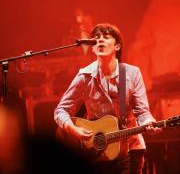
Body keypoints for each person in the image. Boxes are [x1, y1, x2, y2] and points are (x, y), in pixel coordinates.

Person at [54, 23, 160, 174]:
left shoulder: (131, 74)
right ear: (92, 47)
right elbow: (61, 110)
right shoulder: (84, 76)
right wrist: (74, 130)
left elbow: (142, 111)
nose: (100, 40)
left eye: (105, 37)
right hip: (97, 153)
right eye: (96, 38)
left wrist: (148, 123)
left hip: (130, 149)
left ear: (117, 46)